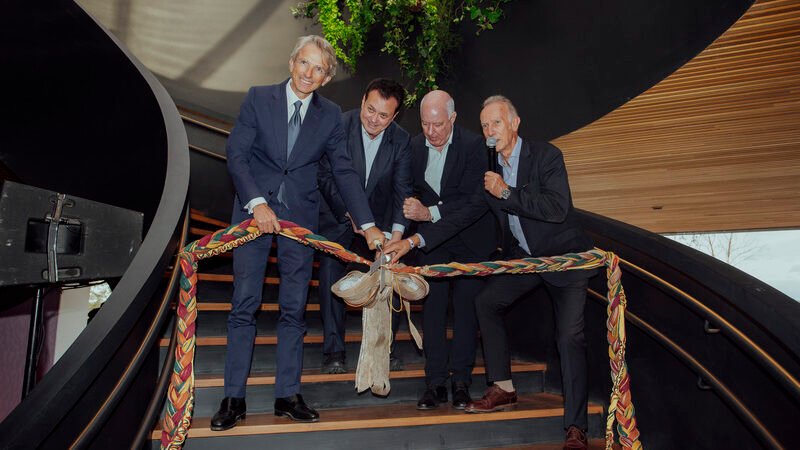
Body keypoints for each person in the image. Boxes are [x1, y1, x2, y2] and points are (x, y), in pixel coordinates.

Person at [211, 35, 386, 431]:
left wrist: (370, 223)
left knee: (294, 309)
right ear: (292, 63)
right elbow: (236, 154)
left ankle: (287, 395)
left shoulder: (330, 116)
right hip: (253, 213)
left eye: (319, 69)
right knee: (244, 305)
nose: (309, 73)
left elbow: (343, 171)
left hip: (301, 221)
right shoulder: (258, 98)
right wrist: (256, 203)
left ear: (326, 79)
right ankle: (232, 398)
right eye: (305, 63)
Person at [467, 95, 595, 450]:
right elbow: (470, 213)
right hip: (525, 260)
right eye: (485, 126)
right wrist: (420, 228)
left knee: (569, 338)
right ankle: (504, 387)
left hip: (566, 260)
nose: (490, 131)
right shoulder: (490, 172)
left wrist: (506, 191)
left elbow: (556, 209)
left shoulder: (546, 156)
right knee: (486, 302)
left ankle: (576, 427)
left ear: (515, 123)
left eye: (496, 122)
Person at [384, 90, 495, 410]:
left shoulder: (475, 147)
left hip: (471, 242)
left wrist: (430, 212)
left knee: (465, 312)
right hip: (432, 244)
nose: (431, 131)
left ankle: (461, 382)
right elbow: (404, 194)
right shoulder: (413, 147)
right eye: (425, 124)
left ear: (454, 119)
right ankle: (434, 383)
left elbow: (475, 201)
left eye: (439, 125)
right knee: (431, 313)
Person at [316, 78, 412, 374]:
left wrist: (396, 237)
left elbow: (402, 190)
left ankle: (385, 348)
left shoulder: (401, 139)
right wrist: (354, 217)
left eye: (383, 115)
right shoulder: (338, 125)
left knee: (388, 281)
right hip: (338, 218)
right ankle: (334, 350)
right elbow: (325, 176)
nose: (374, 119)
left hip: (382, 225)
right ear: (362, 102)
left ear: (394, 116)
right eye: (370, 109)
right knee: (331, 277)